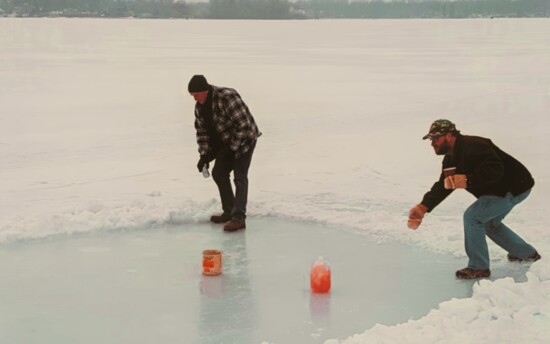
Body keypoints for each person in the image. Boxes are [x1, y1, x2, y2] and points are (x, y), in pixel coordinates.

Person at [407, 119, 540, 279]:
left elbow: (496, 170)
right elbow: (445, 185)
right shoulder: (451, 158)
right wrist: (423, 207)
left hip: (512, 188)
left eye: (435, 138)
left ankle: (479, 267)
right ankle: (526, 253)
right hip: (500, 190)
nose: (432, 143)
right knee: (490, 223)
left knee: (473, 217)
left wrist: (466, 180)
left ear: (449, 135)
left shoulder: (474, 146)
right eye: (431, 140)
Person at [188, 75, 261, 232]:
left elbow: (244, 125)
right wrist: (204, 155)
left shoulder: (227, 97)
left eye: (196, 95)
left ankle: (238, 218)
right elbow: (202, 133)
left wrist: (232, 148)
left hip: (245, 139)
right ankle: (229, 211)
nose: (194, 99)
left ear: (205, 90)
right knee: (219, 173)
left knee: (240, 177)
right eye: (192, 96)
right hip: (226, 141)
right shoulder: (200, 107)